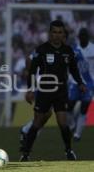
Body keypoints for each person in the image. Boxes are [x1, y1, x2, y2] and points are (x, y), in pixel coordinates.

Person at [20, 20, 86, 161]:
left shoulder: (68, 51)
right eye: (54, 32)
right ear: (50, 34)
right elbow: (32, 71)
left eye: (60, 32)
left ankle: (69, 151)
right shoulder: (41, 50)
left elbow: (74, 69)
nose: (57, 35)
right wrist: (30, 90)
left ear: (63, 35)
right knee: (37, 122)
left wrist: (80, 83)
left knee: (63, 122)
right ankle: (25, 154)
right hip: (44, 91)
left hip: (61, 91)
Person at [67, 28, 94, 141]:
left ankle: (77, 134)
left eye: (85, 35)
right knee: (69, 106)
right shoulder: (74, 49)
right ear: (79, 37)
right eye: (81, 36)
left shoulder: (93, 49)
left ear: (88, 37)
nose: (83, 37)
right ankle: (73, 124)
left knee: (84, 108)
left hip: (89, 83)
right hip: (75, 82)